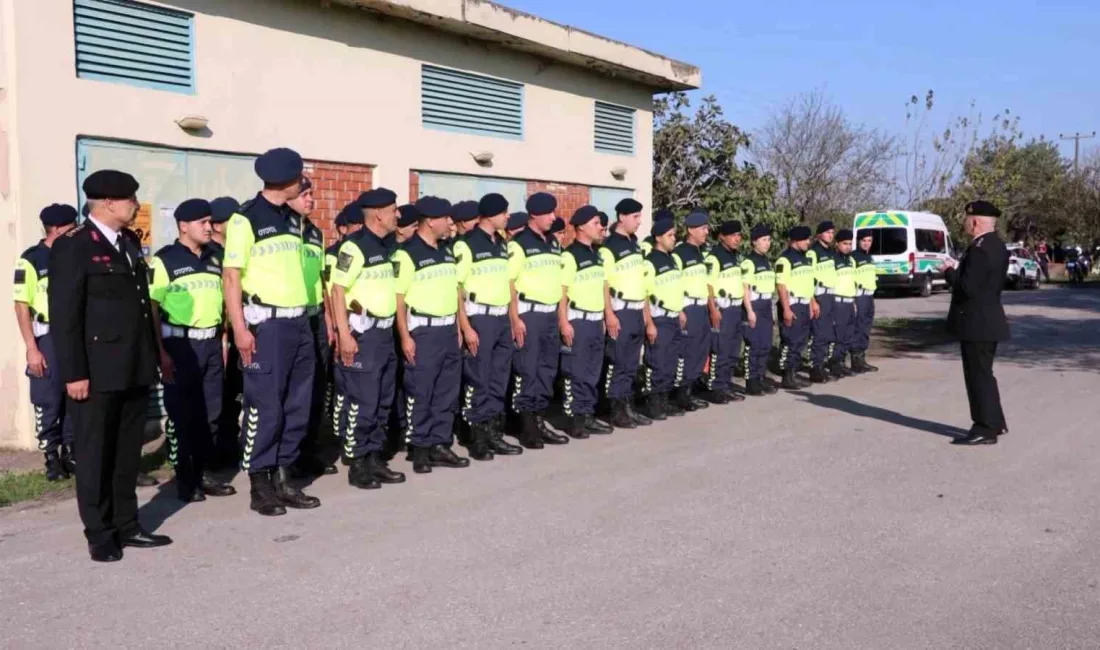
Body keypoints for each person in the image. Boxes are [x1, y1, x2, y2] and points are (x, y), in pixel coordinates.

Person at [50, 170, 170, 562]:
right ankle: (99, 532)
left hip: (133, 365)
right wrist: (73, 373)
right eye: (130, 199)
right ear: (108, 203)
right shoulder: (74, 246)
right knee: (94, 453)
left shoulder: (129, 243)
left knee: (125, 454)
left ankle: (127, 524)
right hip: (95, 372)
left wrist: (152, 358)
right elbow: (65, 315)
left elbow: (138, 305)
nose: (136, 205)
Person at [222, 148, 320, 516]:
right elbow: (231, 277)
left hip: (299, 323)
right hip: (267, 326)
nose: (305, 185)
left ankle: (283, 478)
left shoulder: (293, 220)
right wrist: (241, 330)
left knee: (298, 405)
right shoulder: (245, 220)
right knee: (266, 406)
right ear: (288, 181)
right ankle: (260, 484)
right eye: (301, 178)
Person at [148, 199, 236, 502]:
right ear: (184, 226)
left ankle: (204, 473)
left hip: (211, 342)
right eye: (203, 223)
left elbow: (224, 302)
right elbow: (152, 308)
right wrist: (161, 353)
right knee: (184, 415)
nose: (209, 228)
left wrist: (223, 342)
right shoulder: (165, 260)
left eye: (211, 222)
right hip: (180, 346)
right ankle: (185, 479)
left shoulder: (216, 257)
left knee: (211, 413)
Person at [330, 188, 407, 488]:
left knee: (382, 401)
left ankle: (375, 459)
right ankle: (358, 464)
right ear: (378, 214)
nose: (397, 215)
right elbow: (338, 291)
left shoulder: (386, 246)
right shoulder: (354, 247)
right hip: (363, 335)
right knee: (364, 401)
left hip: (384, 333)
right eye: (393, 210)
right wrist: (344, 334)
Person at [393, 196, 471, 473]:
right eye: (446, 218)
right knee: (421, 390)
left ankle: (440, 443)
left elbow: (455, 292)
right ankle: (420, 448)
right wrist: (405, 337)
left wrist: (460, 326)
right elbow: (399, 299)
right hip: (422, 331)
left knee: (446, 391)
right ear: (430, 221)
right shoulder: (406, 253)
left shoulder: (447, 250)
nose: (450, 223)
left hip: (448, 330)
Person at [453, 193, 524, 460]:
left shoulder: (502, 243)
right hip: (479, 318)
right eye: (504, 212)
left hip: (501, 318)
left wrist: (513, 317)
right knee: (478, 379)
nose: (508, 217)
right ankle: (477, 437)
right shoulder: (466, 245)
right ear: (491, 215)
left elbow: (509, 283)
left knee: (498, 379)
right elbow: (457, 288)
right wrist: (465, 326)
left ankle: (494, 433)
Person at [14, 204, 79, 480]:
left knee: (75, 396)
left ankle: (71, 452)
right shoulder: (31, 259)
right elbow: (21, 306)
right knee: (48, 398)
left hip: (73, 336)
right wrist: (32, 348)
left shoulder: (75, 255)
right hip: (47, 337)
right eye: (71, 228)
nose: (76, 232)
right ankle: (51, 457)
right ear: (57, 229)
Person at [941, 201, 1010, 446]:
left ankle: (985, 428)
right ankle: (994, 421)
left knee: (977, 376)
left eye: (966, 219)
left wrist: (949, 272)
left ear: (975, 221)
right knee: (984, 375)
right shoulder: (996, 245)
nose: (964, 223)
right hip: (986, 320)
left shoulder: (981, 249)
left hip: (977, 321)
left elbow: (968, 287)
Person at [508, 193, 569, 448]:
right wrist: (514, 318)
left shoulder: (553, 244)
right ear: (535, 215)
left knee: (546, 370)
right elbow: (509, 282)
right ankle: (527, 426)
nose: (553, 218)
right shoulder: (519, 244)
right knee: (528, 370)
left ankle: (540, 419)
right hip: (529, 315)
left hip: (549, 314)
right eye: (549, 214)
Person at [291, 177, 338, 477]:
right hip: (290, 318)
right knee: (294, 390)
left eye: (312, 195)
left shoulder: (314, 234)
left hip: (316, 316)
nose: (311, 200)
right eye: (305, 194)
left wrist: (330, 320)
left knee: (316, 387)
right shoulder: (282, 232)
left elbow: (322, 281)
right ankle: (288, 458)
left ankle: (308, 452)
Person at [559, 206, 615, 439]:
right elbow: (562, 292)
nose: (600, 227)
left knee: (593, 371)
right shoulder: (569, 256)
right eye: (595, 223)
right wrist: (563, 322)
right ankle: (575, 419)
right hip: (578, 320)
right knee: (576, 371)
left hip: (595, 320)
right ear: (581, 226)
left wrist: (607, 314)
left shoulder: (598, 254)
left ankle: (588, 413)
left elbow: (603, 287)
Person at [600, 199, 650, 428]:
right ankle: (616, 410)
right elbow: (604, 283)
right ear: (622, 217)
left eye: (640, 217)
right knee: (619, 362)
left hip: (637, 310)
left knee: (630, 364)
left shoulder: (635, 244)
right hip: (621, 311)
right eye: (635, 217)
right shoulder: (609, 246)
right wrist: (609, 314)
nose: (639, 222)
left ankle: (628, 406)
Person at [323, 203, 364, 448]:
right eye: (356, 225)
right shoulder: (333, 254)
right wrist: (337, 327)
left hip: (359, 322)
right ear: (342, 228)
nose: (360, 228)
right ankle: (336, 432)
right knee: (339, 382)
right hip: (339, 321)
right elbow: (331, 291)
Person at [207, 196, 242, 468]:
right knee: (217, 396)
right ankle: (214, 450)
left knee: (235, 393)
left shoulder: (238, 249)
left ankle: (231, 444)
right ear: (218, 225)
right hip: (218, 335)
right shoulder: (208, 253)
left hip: (238, 330)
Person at [641, 219, 686, 419]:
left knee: (670, 363)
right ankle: (653, 405)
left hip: (674, 317)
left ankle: (665, 402)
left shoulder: (673, 260)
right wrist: (649, 322)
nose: (674, 238)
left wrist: (681, 310)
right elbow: (644, 294)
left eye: (674, 235)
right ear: (658, 237)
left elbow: (675, 289)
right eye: (669, 235)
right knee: (657, 362)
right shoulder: (650, 262)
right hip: (659, 319)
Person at [701, 220, 750, 402]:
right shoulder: (715, 257)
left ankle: (726, 384)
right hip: (723, 309)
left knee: (733, 350)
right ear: (722, 236)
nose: (737, 239)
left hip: (735, 308)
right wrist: (713, 309)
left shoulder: (735, 256)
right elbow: (708, 285)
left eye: (739, 235)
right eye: (733, 235)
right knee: (720, 349)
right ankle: (716, 388)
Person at [672, 210, 712, 411]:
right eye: (703, 228)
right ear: (691, 230)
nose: (707, 231)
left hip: (702, 306)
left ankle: (690, 389)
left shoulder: (701, 252)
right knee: (687, 351)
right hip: (687, 306)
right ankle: (681, 394)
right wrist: (679, 309)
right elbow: (675, 284)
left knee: (700, 349)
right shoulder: (679, 253)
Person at [773, 225, 815, 391]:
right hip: (792, 304)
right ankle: (787, 376)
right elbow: (781, 286)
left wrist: (811, 303)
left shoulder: (804, 258)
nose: (808, 242)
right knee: (790, 341)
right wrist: (787, 309)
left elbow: (808, 283)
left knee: (801, 341)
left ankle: (795, 372)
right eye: (805, 239)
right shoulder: (785, 259)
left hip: (804, 303)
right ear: (796, 240)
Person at [741, 224, 777, 397]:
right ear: (754, 242)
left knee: (765, 345)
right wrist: (749, 310)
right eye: (764, 240)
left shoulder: (766, 261)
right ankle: (751, 382)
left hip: (766, 304)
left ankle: (760, 378)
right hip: (754, 304)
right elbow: (745, 288)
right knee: (754, 346)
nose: (767, 243)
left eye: (769, 240)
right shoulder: (749, 262)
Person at [806, 221, 839, 383]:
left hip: (830, 296)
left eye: (832, 232)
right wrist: (812, 301)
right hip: (819, 296)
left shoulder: (832, 253)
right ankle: (815, 368)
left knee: (827, 334)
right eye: (827, 232)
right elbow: (809, 278)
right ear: (819, 234)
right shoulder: (813, 253)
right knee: (818, 334)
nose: (831, 235)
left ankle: (822, 365)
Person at [850, 231, 880, 373]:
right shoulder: (853, 257)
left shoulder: (869, 257)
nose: (867, 243)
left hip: (869, 296)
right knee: (859, 328)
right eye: (864, 240)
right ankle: (856, 361)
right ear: (858, 241)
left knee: (866, 328)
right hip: (859, 296)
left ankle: (862, 358)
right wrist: (853, 300)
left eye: (869, 240)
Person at [829, 229, 857, 378]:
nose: (848, 246)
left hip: (849, 301)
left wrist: (853, 301)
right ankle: (834, 364)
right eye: (845, 243)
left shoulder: (851, 260)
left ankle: (842, 362)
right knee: (838, 336)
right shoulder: (833, 260)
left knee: (848, 335)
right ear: (837, 243)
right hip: (837, 301)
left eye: (850, 243)